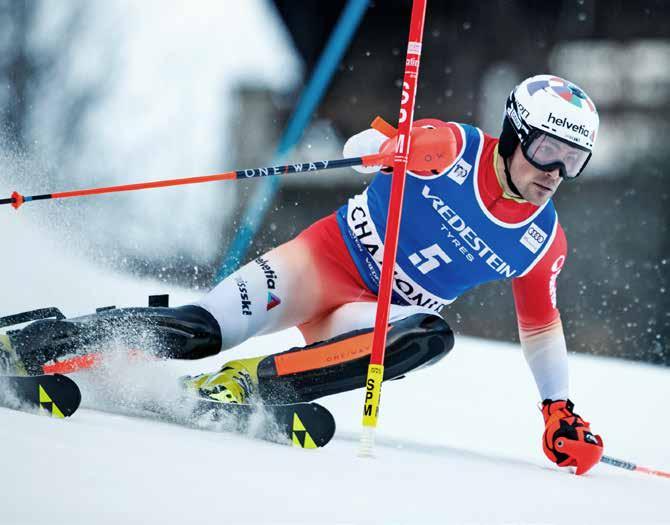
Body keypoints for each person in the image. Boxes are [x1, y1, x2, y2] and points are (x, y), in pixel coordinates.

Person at [0, 74, 603, 474]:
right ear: (515, 134)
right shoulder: (452, 147)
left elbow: (541, 327)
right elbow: (369, 145)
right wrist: (383, 149)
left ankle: (247, 386)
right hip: (321, 264)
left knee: (428, 336)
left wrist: (558, 409)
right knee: (202, 329)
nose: (555, 173)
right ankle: (34, 343)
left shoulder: (542, 240)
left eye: (573, 161)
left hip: (367, 316)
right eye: (547, 151)